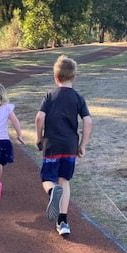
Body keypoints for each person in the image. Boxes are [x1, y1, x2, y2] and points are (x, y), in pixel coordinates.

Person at [35, 55, 92, 237]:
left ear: (56, 77)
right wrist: (83, 144)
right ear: (73, 77)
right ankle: (63, 222)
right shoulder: (78, 98)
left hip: (52, 145)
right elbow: (88, 122)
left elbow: (39, 118)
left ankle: (52, 191)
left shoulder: (50, 96)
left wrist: (39, 137)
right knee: (64, 180)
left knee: (47, 177)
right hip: (70, 147)